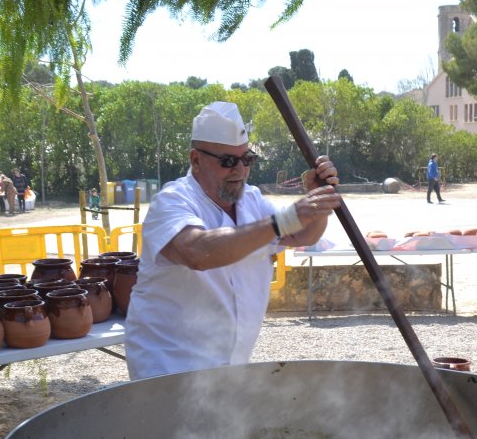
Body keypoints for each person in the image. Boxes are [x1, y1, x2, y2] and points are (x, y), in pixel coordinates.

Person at [123, 101, 340, 380]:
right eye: (227, 161)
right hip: (169, 366)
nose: (239, 170)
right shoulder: (172, 201)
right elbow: (197, 251)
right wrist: (285, 220)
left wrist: (318, 199)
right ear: (196, 160)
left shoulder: (252, 200)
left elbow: (304, 234)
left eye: (246, 159)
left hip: (230, 367)